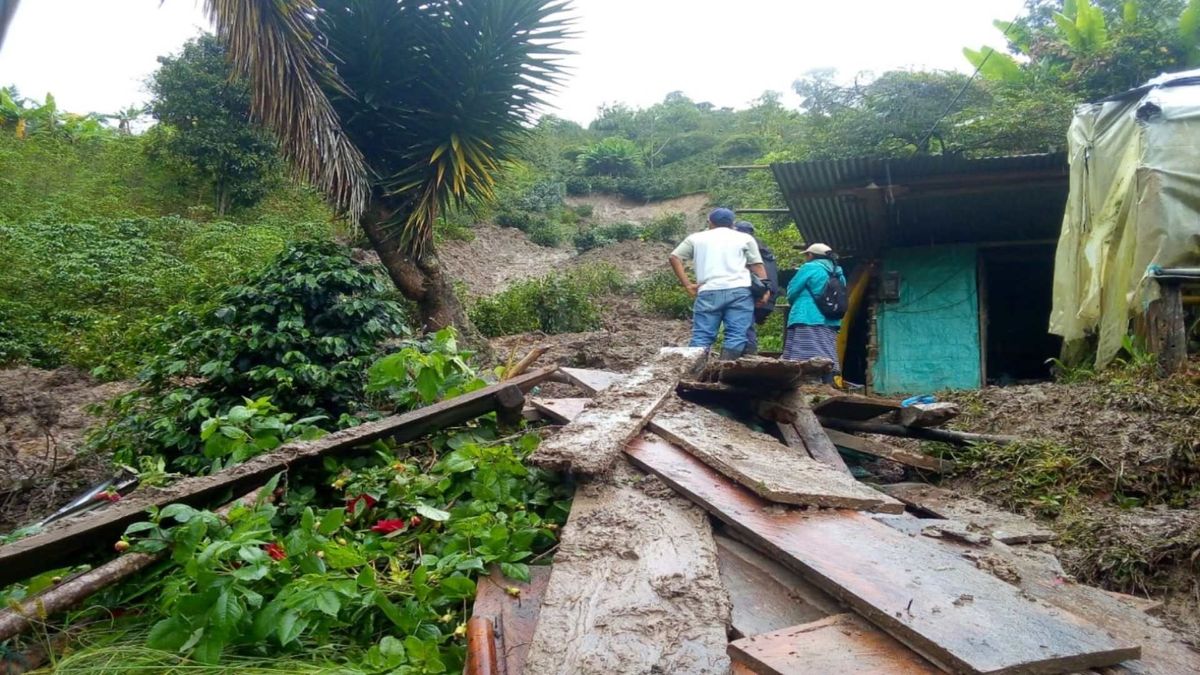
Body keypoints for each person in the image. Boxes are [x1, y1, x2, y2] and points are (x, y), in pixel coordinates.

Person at [669, 208, 771, 360]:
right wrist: (765, 290)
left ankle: (694, 372)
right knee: (736, 335)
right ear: (732, 223)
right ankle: (724, 371)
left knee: (702, 335)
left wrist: (688, 285)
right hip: (739, 291)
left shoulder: (696, 238)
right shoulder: (745, 238)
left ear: (710, 222)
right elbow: (757, 265)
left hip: (709, 291)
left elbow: (674, 257)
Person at [784, 243, 846, 380]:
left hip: (806, 316)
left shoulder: (810, 267)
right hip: (830, 320)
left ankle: (807, 385)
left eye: (806, 255)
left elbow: (792, 290)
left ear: (811, 255)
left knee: (803, 354)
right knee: (826, 352)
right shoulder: (838, 272)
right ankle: (827, 382)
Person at [733, 221, 779, 355]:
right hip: (767, 296)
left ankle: (746, 358)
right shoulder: (766, 250)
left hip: (754, 294)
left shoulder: (745, 248)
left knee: (743, 327)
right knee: (745, 326)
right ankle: (746, 356)